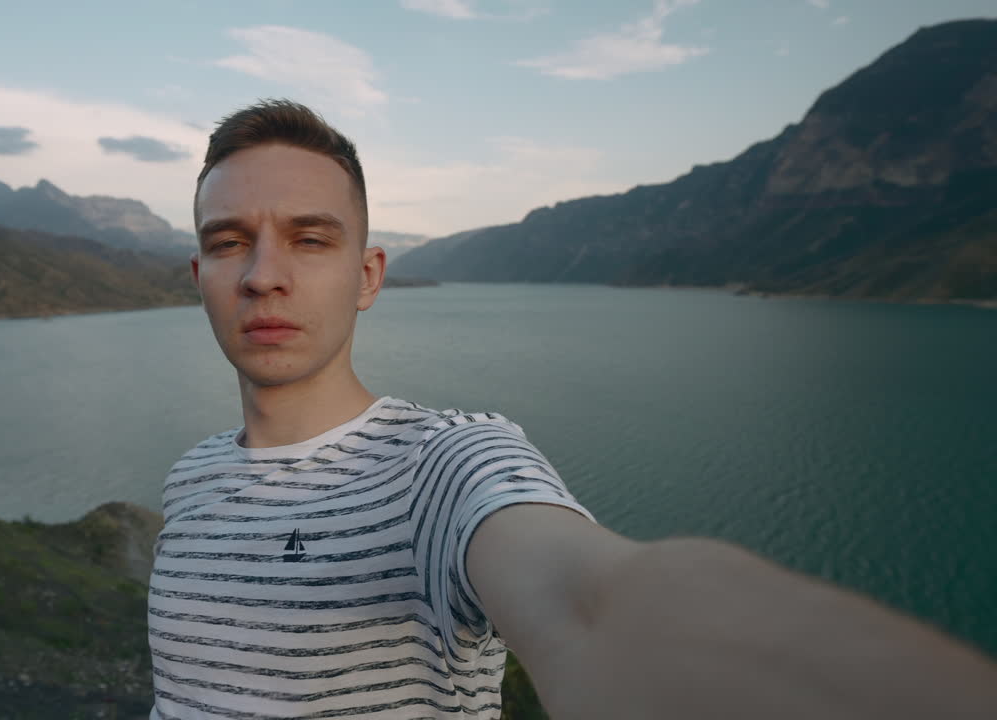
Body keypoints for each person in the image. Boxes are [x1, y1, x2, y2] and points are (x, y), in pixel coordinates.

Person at [146, 99, 997, 719]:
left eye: (310, 238)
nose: (263, 273)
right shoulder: (191, 481)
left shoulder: (441, 467)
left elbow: (593, 598)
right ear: (201, 279)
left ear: (368, 276)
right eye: (228, 243)